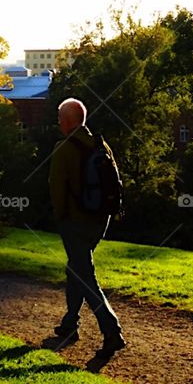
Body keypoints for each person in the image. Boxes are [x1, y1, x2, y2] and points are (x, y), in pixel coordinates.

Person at [49, 97, 126, 357]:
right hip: (99, 220)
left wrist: (60, 218)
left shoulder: (64, 148)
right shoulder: (100, 143)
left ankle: (111, 330)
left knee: (84, 274)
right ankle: (70, 322)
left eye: (60, 119)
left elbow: (57, 189)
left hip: (75, 221)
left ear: (68, 121)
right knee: (76, 267)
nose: (59, 123)